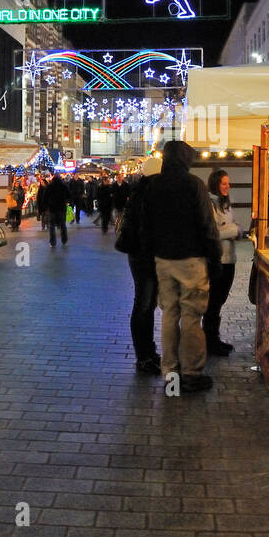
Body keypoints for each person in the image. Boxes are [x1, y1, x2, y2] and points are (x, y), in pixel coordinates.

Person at [143, 140, 221, 394]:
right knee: (191, 316)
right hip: (191, 260)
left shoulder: (153, 185)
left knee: (169, 314)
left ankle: (170, 372)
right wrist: (215, 258)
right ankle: (191, 373)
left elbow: (147, 225)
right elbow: (207, 226)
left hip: (163, 260)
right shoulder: (193, 185)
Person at [116, 155, 162, 375]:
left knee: (146, 303)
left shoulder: (139, 190)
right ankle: (144, 356)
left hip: (138, 254)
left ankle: (147, 352)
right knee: (144, 304)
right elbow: (147, 229)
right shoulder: (149, 193)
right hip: (144, 256)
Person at [203, 168, 241, 356]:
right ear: (215, 184)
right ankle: (209, 341)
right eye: (224, 183)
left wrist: (235, 229)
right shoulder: (210, 204)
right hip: (217, 260)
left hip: (229, 258)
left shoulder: (225, 204)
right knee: (214, 301)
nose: (227, 186)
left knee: (220, 300)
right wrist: (234, 230)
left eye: (228, 183)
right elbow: (211, 233)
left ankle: (214, 338)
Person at [42, 173, 70, 247]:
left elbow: (45, 197)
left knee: (52, 226)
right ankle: (64, 240)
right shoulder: (64, 186)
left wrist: (46, 206)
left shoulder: (49, 186)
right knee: (63, 225)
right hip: (61, 208)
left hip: (52, 208)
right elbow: (68, 196)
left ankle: (53, 242)